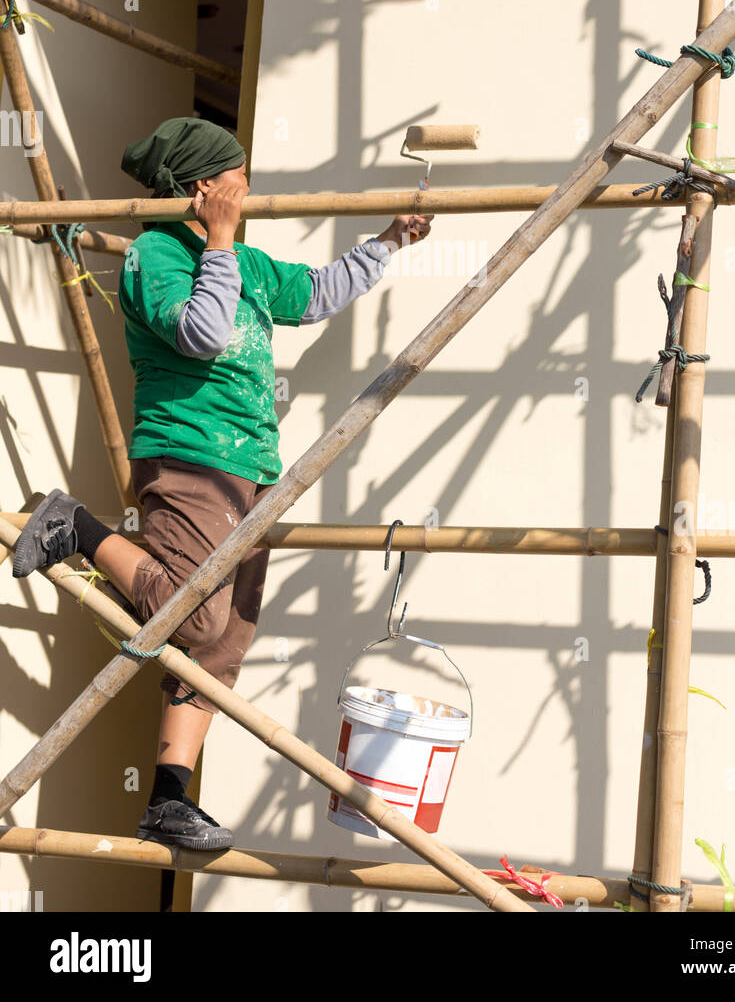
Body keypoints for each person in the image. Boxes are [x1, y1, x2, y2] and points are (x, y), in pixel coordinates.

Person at [12, 116, 433, 850]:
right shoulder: (157, 256)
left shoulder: (240, 259)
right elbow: (201, 333)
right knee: (190, 613)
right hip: (187, 457)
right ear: (205, 187)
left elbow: (315, 295)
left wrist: (388, 241)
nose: (249, 188)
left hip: (254, 472)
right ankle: (73, 523)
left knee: (221, 648)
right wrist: (215, 240)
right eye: (236, 177)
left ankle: (167, 799)